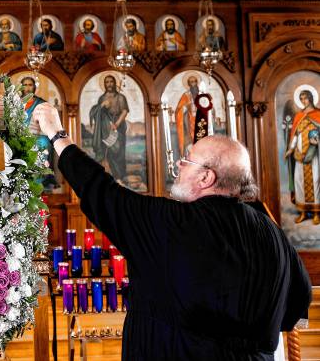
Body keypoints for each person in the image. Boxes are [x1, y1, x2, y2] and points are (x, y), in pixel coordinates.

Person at [30, 102, 311, 360]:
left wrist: (58, 135)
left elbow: (102, 192)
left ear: (206, 177)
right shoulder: (271, 230)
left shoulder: (171, 222)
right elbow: (298, 304)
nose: (179, 164)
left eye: (187, 159)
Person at [284, 89, 320, 224]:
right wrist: (291, 149)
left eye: (306, 98)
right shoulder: (299, 115)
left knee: (315, 181)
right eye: (301, 98)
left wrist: (317, 141)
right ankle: (304, 212)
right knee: (300, 182)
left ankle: (316, 213)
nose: (304, 101)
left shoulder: (318, 114)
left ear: (311, 98)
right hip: (299, 154)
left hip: (314, 154)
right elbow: (296, 135)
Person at [89, 75, 129, 181]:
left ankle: (119, 176)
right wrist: (102, 105)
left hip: (118, 127)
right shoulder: (102, 98)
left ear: (114, 83)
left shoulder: (120, 97)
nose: (109, 84)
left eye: (111, 81)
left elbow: (124, 111)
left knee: (118, 151)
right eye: (107, 82)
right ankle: (107, 176)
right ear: (104, 84)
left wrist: (116, 124)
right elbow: (98, 112)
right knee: (106, 152)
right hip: (104, 128)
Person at [175, 75, 200, 158]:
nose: (193, 84)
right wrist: (187, 107)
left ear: (197, 82)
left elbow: (210, 107)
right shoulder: (186, 95)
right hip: (189, 121)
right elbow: (179, 109)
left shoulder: (203, 94)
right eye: (191, 82)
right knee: (190, 143)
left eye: (194, 81)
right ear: (188, 84)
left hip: (201, 120)